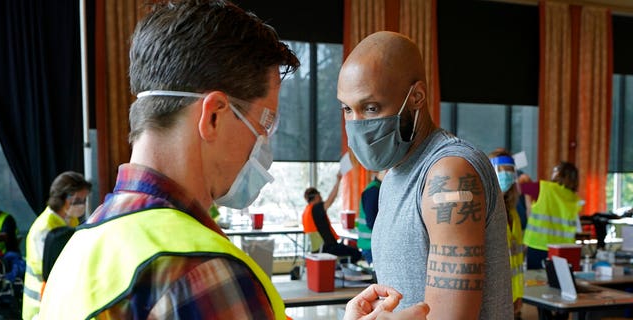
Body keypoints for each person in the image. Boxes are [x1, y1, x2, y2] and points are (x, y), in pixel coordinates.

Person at [38, 2, 428, 319]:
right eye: (266, 121)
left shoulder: (84, 245)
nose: (265, 143)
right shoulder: (198, 271)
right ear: (213, 116)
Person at [337, 31, 512, 318]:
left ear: (416, 97)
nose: (356, 124)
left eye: (370, 108)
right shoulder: (395, 174)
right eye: (347, 109)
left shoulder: (450, 173)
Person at [22, 171, 91, 320]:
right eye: (79, 200)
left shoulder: (70, 220)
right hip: (39, 307)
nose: (83, 205)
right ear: (64, 198)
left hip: (56, 303)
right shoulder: (43, 229)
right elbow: (53, 270)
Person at [522, 161, 583, 270]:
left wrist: (524, 177)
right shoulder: (574, 199)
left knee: (537, 283)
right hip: (564, 250)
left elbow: (520, 187)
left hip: (538, 246)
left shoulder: (543, 188)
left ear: (559, 174)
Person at [489, 149, 524, 319]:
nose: (505, 175)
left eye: (509, 171)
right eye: (501, 170)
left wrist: (518, 294)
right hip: (494, 295)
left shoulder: (513, 212)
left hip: (513, 293)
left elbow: (517, 258)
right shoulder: (485, 209)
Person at [302, 172, 362, 263]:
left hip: (316, 249)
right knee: (356, 253)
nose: (321, 197)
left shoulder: (306, 211)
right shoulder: (316, 209)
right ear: (316, 196)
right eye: (319, 194)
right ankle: (339, 267)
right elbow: (331, 199)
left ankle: (338, 267)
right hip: (327, 248)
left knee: (346, 249)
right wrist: (338, 181)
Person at [357, 170, 385, 265]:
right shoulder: (374, 190)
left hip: (370, 245)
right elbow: (371, 222)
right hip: (370, 245)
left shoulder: (376, 188)